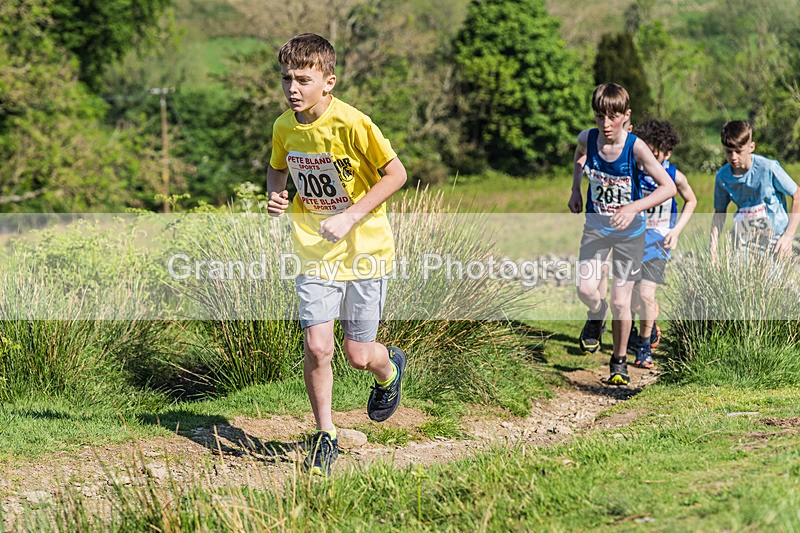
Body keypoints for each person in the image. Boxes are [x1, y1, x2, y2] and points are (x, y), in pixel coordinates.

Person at [267, 33, 408, 475]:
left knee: (358, 355)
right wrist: (275, 196)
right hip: (313, 250)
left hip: (365, 248)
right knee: (317, 345)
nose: (293, 88)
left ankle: (390, 370)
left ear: (328, 82)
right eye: (287, 78)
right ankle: (325, 434)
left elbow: (396, 174)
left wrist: (349, 216)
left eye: (303, 79)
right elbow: (276, 171)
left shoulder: (355, 124)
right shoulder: (283, 127)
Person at [568, 83, 676, 386]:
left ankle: (619, 362)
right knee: (586, 290)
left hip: (630, 235)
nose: (605, 124)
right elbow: (579, 154)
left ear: (626, 116)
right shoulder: (588, 139)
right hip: (596, 229)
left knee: (620, 301)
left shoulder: (636, 147)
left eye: (612, 117)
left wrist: (633, 208)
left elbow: (667, 187)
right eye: (599, 117)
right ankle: (595, 314)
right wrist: (576, 188)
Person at [627, 118, 697, 369]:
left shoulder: (674, 176)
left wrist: (676, 231)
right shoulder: (634, 169)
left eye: (654, 156)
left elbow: (691, 201)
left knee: (646, 296)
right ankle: (641, 327)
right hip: (631, 242)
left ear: (667, 153)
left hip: (658, 245)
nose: (648, 162)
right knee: (631, 300)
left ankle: (644, 347)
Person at [711, 120, 800, 260]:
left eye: (739, 151)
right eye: (728, 152)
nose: (733, 157)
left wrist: (788, 237)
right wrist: (713, 250)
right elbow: (719, 213)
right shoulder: (723, 177)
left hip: (776, 240)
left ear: (751, 147)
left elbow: (797, 195)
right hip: (745, 241)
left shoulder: (769, 168)